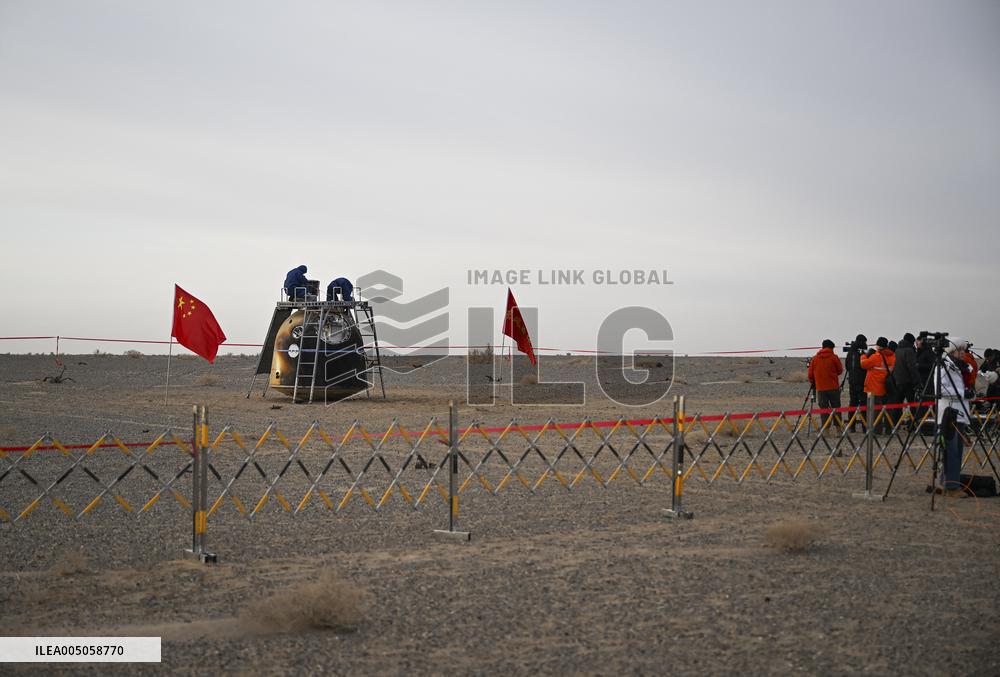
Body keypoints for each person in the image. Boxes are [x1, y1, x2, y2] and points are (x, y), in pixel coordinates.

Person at [935, 338, 971, 497]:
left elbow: (961, 388)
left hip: (960, 413)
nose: (963, 353)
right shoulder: (944, 367)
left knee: (956, 450)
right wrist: (963, 394)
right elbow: (941, 389)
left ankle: (947, 483)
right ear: (951, 352)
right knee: (951, 450)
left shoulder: (962, 368)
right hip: (949, 414)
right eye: (959, 350)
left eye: (963, 350)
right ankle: (951, 487)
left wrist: (970, 394)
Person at [860, 336, 896, 433]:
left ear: (878, 346)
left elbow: (863, 364)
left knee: (875, 411)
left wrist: (864, 355)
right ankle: (886, 429)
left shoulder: (876, 357)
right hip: (885, 386)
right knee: (884, 410)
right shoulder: (892, 357)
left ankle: (877, 430)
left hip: (873, 387)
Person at [808, 339, 844, 433]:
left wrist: (814, 382)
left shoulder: (815, 358)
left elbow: (810, 375)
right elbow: (840, 370)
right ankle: (838, 430)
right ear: (831, 348)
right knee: (836, 408)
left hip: (821, 388)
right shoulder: (834, 357)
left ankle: (826, 430)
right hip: (833, 387)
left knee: (824, 409)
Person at [892, 332, 921, 427]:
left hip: (898, 381)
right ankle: (913, 424)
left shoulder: (897, 350)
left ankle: (895, 424)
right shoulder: (909, 351)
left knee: (897, 404)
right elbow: (912, 367)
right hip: (908, 382)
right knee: (912, 404)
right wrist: (917, 381)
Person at [845, 334, 868, 431]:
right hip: (862, 381)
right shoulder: (862, 353)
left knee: (852, 404)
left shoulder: (850, 352)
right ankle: (864, 426)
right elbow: (865, 366)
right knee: (864, 404)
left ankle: (851, 426)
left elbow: (847, 366)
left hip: (852, 381)